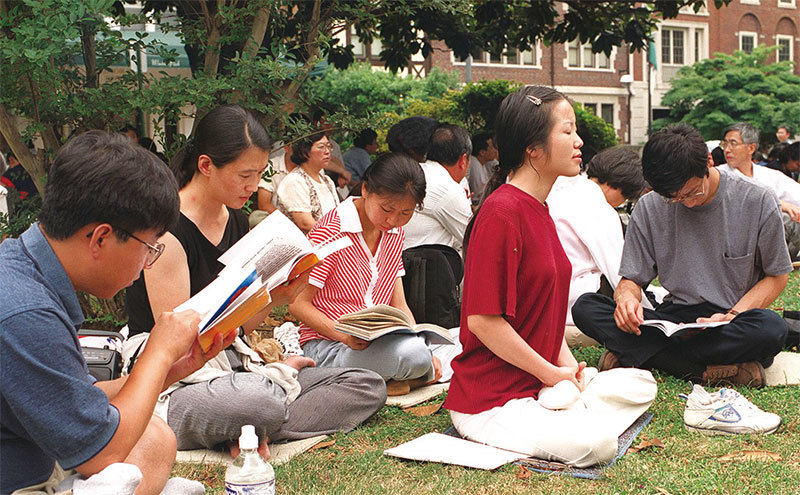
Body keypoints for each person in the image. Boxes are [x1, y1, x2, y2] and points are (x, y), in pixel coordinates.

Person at [124, 105, 385, 456]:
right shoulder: (168, 233)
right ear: (206, 166)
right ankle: (254, 417)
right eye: (245, 175)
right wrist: (272, 378)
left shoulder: (235, 220)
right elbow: (178, 348)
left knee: (367, 384)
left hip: (238, 369)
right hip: (179, 381)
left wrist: (276, 297)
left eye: (260, 174)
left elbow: (240, 328)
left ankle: (245, 429)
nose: (254, 186)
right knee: (256, 400)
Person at [0, 130, 233, 494]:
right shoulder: (26, 312)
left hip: (40, 460)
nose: (149, 263)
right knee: (135, 451)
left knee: (153, 437)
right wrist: (157, 350)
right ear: (100, 238)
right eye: (149, 247)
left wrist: (171, 368)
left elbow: (75, 400)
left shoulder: (24, 267)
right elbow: (101, 454)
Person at [443, 86, 656, 468]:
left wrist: (568, 369)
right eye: (567, 131)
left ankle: (565, 404)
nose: (579, 141)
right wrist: (552, 374)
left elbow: (546, 313)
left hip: (539, 382)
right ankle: (565, 411)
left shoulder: (540, 207)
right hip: (492, 399)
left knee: (642, 385)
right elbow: (483, 323)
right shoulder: (501, 213)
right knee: (599, 444)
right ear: (533, 149)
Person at [572, 123, 791, 388]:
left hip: (729, 319)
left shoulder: (756, 200)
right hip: (673, 318)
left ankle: (644, 355)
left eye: (691, 192)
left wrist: (732, 314)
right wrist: (626, 299)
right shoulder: (651, 206)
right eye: (672, 198)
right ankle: (705, 371)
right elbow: (631, 279)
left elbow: (777, 276)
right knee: (586, 308)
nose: (685, 203)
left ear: (709, 161)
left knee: (771, 329)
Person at [290, 153, 443, 396]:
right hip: (329, 345)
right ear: (365, 190)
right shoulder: (331, 231)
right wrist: (345, 336)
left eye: (405, 213)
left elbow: (399, 304)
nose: (393, 220)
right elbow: (298, 304)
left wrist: (424, 347)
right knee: (413, 357)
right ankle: (396, 378)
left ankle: (387, 378)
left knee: (427, 352)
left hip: (378, 344)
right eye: (387, 209)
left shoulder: (394, 234)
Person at [547, 147, 650, 345]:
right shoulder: (597, 203)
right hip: (574, 299)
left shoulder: (559, 186)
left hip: (550, 293)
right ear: (620, 187)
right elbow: (618, 270)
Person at [716, 122, 800, 261]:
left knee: (793, 217)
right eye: (725, 144)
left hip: (771, 247)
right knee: (780, 215)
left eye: (733, 143)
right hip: (734, 244)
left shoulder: (769, 175)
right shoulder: (718, 175)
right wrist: (780, 204)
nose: (727, 150)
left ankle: (779, 263)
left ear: (751, 148)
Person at [403, 124, 473, 252]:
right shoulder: (448, 190)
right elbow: (476, 240)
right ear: (463, 160)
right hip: (423, 267)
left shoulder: (412, 171)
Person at [276, 132, 340, 234]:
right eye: (321, 147)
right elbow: (305, 223)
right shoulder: (295, 180)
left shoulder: (327, 181)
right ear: (305, 152)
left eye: (329, 146)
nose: (327, 151)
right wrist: (336, 234)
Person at [466, 132, 498, 207]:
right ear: (482, 152)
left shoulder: (486, 162)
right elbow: (479, 192)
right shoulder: (474, 165)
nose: (495, 151)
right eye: (492, 147)